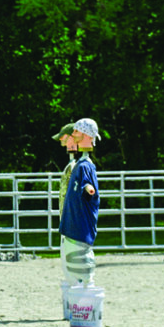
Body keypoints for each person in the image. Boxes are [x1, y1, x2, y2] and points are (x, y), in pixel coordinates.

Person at [59, 118, 100, 287]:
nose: (72, 135)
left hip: (78, 229)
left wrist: (89, 189)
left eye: (76, 132)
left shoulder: (84, 166)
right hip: (73, 228)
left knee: (80, 268)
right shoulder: (81, 165)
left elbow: (90, 189)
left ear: (84, 134)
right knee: (74, 268)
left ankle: (83, 305)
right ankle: (78, 304)